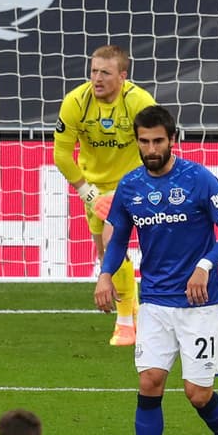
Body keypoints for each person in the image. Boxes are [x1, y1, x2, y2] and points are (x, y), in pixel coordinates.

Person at [95, 105, 218, 435]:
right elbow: (119, 239)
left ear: (172, 139)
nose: (151, 148)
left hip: (199, 303)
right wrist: (105, 274)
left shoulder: (198, 179)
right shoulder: (130, 187)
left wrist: (205, 264)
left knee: (197, 393)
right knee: (150, 382)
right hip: (156, 302)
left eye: (158, 141)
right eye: (144, 142)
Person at [53, 44, 155, 346]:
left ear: (122, 76)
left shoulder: (139, 102)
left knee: (114, 240)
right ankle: (133, 308)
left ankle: (125, 322)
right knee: (105, 254)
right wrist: (89, 194)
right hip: (93, 187)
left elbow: (155, 145)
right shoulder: (76, 102)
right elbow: (61, 154)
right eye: (93, 71)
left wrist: (145, 183)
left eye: (105, 72)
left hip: (133, 183)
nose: (97, 78)